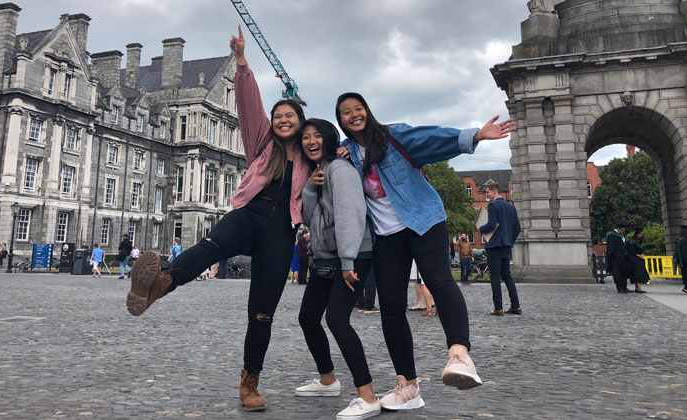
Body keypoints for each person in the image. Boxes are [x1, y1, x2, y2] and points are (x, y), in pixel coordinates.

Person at [125, 25, 309, 412]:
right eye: (278, 115)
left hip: (280, 232)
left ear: (302, 121)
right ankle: (159, 283)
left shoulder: (312, 158)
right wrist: (241, 62)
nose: (282, 119)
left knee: (261, 313)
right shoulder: (262, 142)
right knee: (210, 246)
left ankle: (249, 383)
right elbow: (249, 104)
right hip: (249, 215)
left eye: (290, 115)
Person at [336, 92, 514, 410]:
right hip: (386, 235)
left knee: (439, 280)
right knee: (390, 307)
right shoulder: (346, 154)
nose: (353, 114)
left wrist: (474, 134)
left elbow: (431, 138)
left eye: (358, 108)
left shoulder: (393, 136)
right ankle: (409, 386)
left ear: (368, 111)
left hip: (423, 220)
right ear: (342, 121)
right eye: (346, 112)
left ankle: (460, 356)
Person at [295, 118, 380, 419]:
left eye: (317, 135)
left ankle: (367, 396)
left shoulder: (341, 170)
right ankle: (328, 380)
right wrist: (308, 187)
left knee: (337, 320)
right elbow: (308, 218)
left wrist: (347, 261)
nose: (310, 141)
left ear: (329, 139)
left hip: (353, 255)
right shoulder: (317, 173)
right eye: (305, 137)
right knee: (307, 318)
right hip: (326, 257)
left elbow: (350, 216)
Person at [479, 182, 522, 316]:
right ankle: (516, 306)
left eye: (487, 192)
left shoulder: (493, 205)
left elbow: (491, 224)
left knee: (495, 277)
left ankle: (498, 308)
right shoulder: (511, 207)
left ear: (494, 191)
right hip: (506, 246)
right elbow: (517, 228)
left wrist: (480, 228)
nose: (486, 195)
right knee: (507, 276)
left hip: (494, 246)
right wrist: (509, 241)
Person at [607, 221, 631, 293]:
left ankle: (624, 287)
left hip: (624, 258)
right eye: (622, 230)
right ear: (618, 228)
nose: (623, 232)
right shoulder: (611, 235)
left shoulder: (622, 236)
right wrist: (618, 255)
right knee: (618, 274)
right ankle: (620, 288)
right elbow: (611, 248)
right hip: (616, 258)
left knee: (624, 273)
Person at [627, 227, 649, 293]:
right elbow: (631, 251)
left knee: (640, 273)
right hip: (634, 259)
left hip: (640, 259)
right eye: (639, 234)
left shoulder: (640, 241)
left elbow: (641, 249)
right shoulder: (632, 241)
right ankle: (639, 287)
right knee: (637, 273)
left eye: (642, 234)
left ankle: (637, 287)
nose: (641, 236)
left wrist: (642, 254)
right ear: (636, 234)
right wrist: (638, 255)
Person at [675, 225, 687, 294]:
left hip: (683, 261)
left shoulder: (680, 240)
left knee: (685, 274)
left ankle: (686, 288)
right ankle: (686, 288)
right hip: (685, 260)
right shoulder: (683, 241)